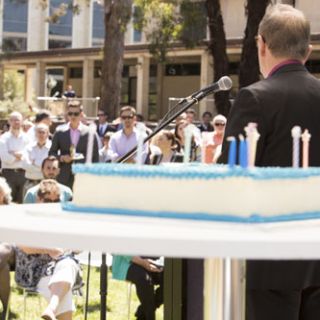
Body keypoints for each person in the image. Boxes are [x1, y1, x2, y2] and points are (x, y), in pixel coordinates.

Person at [218, 4, 320, 320]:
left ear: (261, 44)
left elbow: (232, 181)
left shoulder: (255, 98)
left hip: (270, 259)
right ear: (308, 49)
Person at [15, 179, 81, 320]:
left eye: (56, 200)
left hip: (61, 266)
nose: (52, 205)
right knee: (64, 289)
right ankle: (53, 307)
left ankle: (51, 309)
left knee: (68, 264)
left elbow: (79, 248)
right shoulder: (28, 218)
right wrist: (49, 250)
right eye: (47, 201)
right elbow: (22, 245)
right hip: (35, 271)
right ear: (38, 199)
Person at [49, 101, 99, 189]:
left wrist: (93, 176)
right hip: (63, 176)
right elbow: (51, 153)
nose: (73, 116)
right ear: (67, 114)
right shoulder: (59, 131)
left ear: (81, 114)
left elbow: (95, 158)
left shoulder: (90, 133)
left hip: (83, 176)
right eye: (70, 113)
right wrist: (62, 158)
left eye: (76, 114)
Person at [112, 255, 163, 320]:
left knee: (171, 278)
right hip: (127, 262)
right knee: (145, 280)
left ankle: (141, 313)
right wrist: (143, 263)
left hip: (152, 259)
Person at [0, 111, 30, 203]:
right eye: (13, 120)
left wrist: (13, 153)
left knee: (23, 202)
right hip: (9, 174)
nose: (16, 122)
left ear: (22, 121)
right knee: (8, 202)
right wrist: (19, 156)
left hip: (24, 174)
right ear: (9, 121)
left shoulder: (27, 138)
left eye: (18, 120)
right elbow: (5, 158)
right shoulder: (3, 138)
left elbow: (28, 156)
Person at [23, 123, 52, 195]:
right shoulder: (28, 148)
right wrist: (44, 167)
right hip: (30, 183)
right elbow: (25, 165)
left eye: (43, 132)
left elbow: (53, 167)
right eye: (39, 132)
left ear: (48, 133)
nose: (41, 134)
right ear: (35, 133)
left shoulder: (53, 148)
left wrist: (34, 162)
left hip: (48, 184)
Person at [0, 178, 14, 320]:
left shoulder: (12, 210)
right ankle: (6, 308)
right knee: (2, 269)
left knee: (3, 247)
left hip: (12, 249)